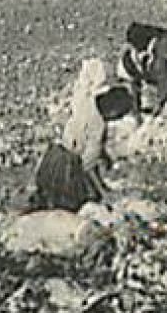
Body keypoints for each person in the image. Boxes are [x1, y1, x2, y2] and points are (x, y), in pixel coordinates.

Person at [30, 62, 118, 213]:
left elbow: (83, 138)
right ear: (112, 112)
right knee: (79, 202)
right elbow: (89, 166)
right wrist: (104, 193)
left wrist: (104, 155)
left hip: (53, 156)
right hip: (67, 167)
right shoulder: (98, 126)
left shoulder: (86, 102)